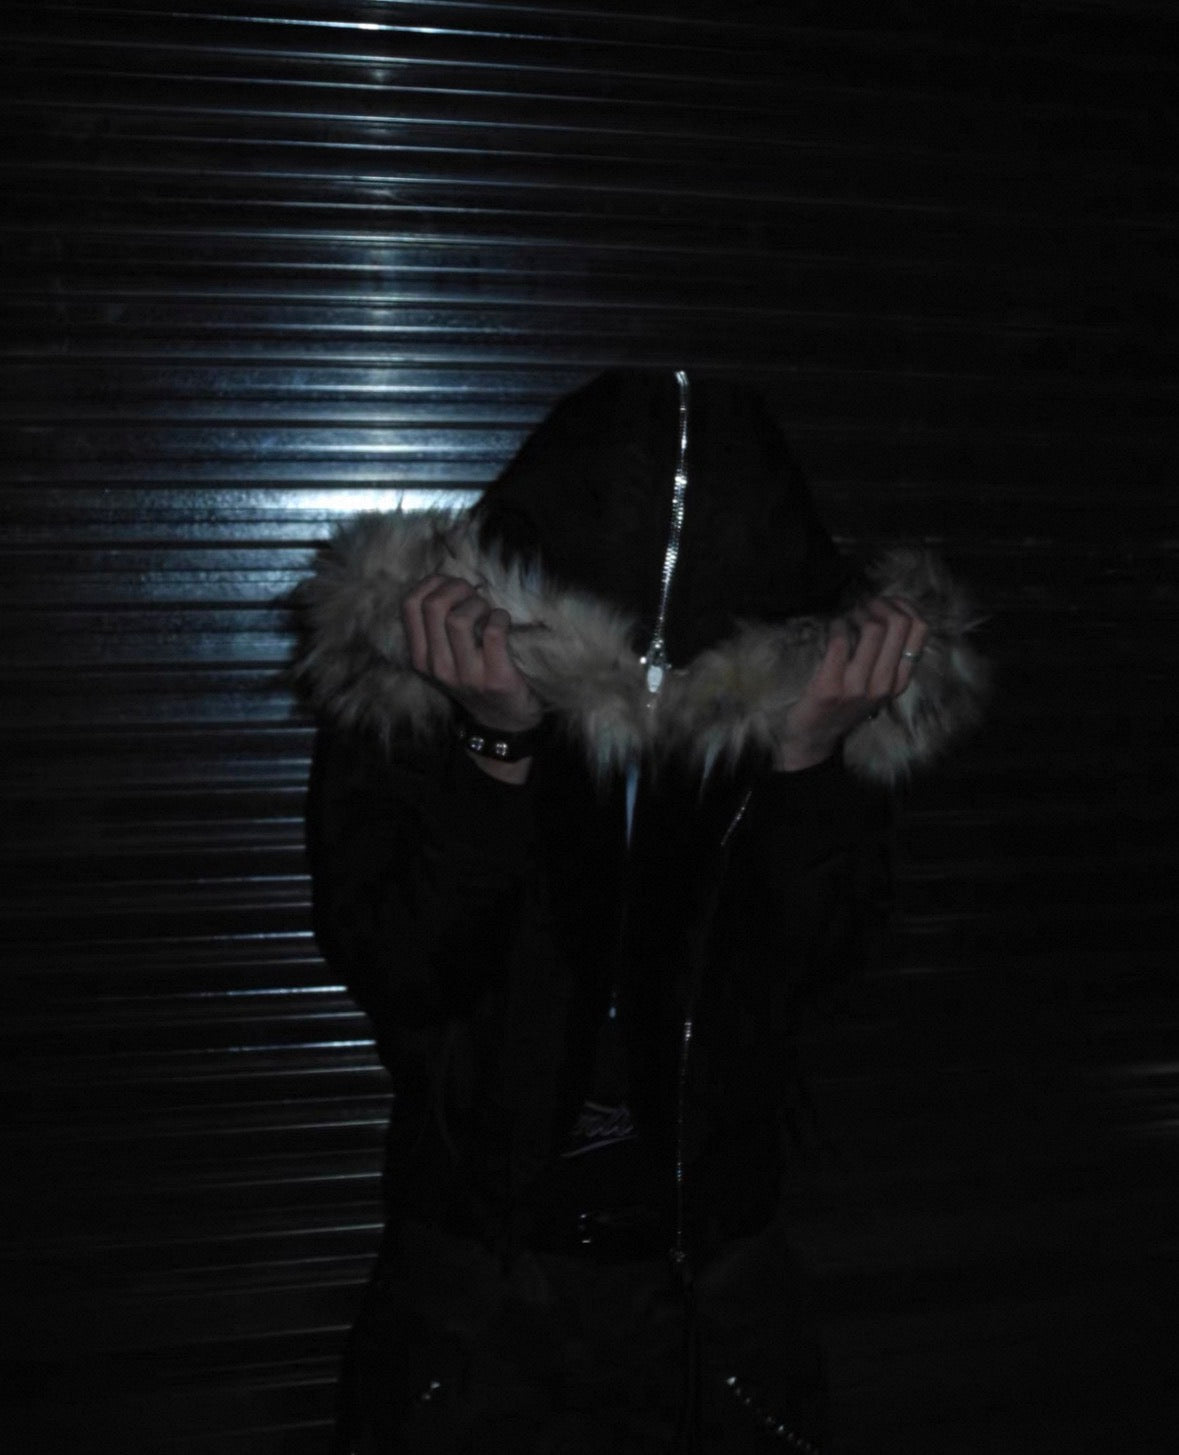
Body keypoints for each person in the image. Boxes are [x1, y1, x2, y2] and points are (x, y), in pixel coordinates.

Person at [296, 369, 986, 1453]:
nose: (654, 684)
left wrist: (807, 766)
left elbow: (816, 973)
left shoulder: (816, 701)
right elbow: (400, 962)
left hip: (714, 1276)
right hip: (476, 1273)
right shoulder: (422, 677)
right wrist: (495, 746)